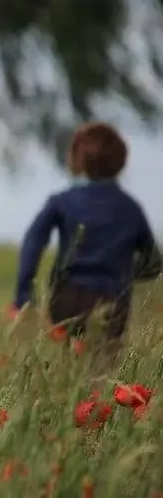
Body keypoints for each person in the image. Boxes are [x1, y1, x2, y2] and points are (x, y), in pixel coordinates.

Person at [12, 122, 162, 343]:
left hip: (67, 297)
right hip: (113, 300)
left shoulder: (62, 202)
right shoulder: (130, 208)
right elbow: (153, 264)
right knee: (105, 368)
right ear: (120, 161)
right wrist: (124, 274)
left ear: (78, 158)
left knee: (68, 364)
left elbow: (32, 244)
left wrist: (24, 296)